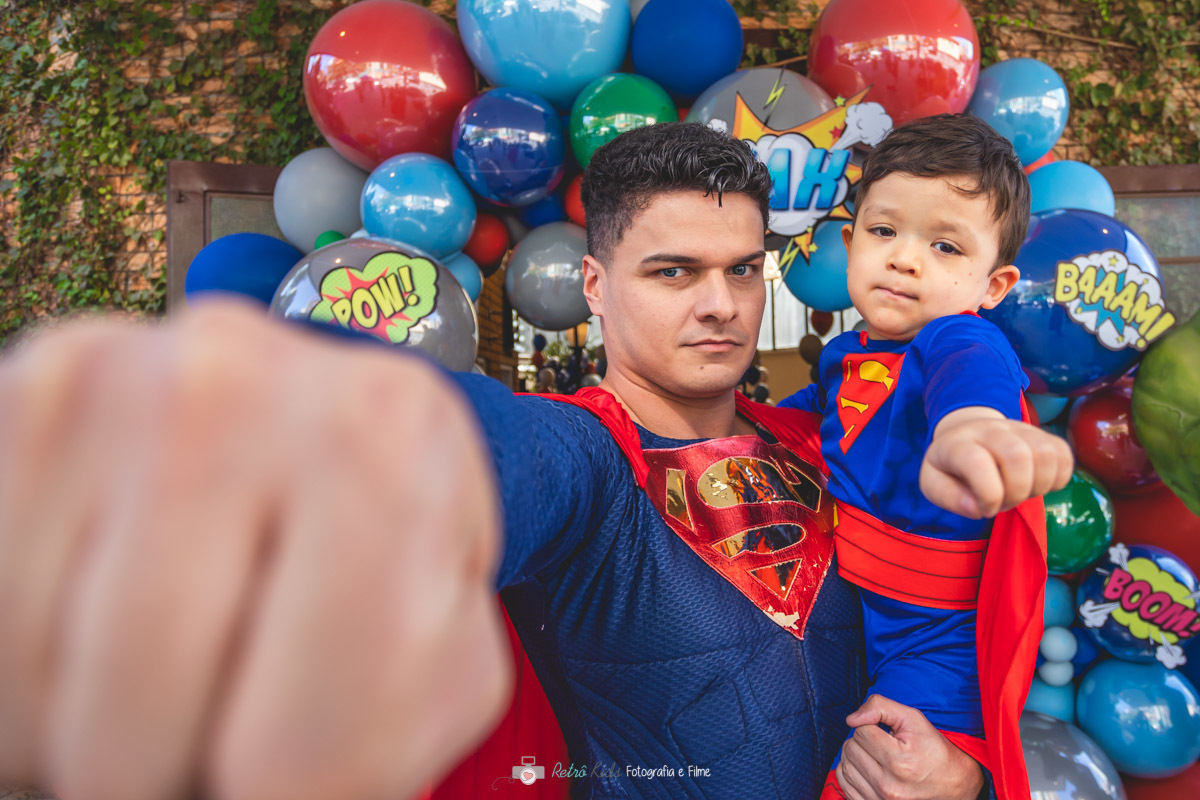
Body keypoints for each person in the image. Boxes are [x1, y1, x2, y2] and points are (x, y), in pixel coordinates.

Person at [0, 122, 1070, 800]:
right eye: (672, 269)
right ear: (596, 287)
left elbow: (959, 610)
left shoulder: (831, 441)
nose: (721, 302)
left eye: (745, 268)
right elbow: (468, 444)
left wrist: (959, 764)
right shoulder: (580, 449)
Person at [777, 115, 1070, 800]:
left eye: (944, 245)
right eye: (884, 232)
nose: (905, 258)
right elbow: (794, 428)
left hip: (933, 641)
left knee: (874, 775)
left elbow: (971, 389)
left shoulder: (960, 342)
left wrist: (969, 432)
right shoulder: (843, 355)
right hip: (850, 610)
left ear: (992, 287)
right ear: (849, 244)